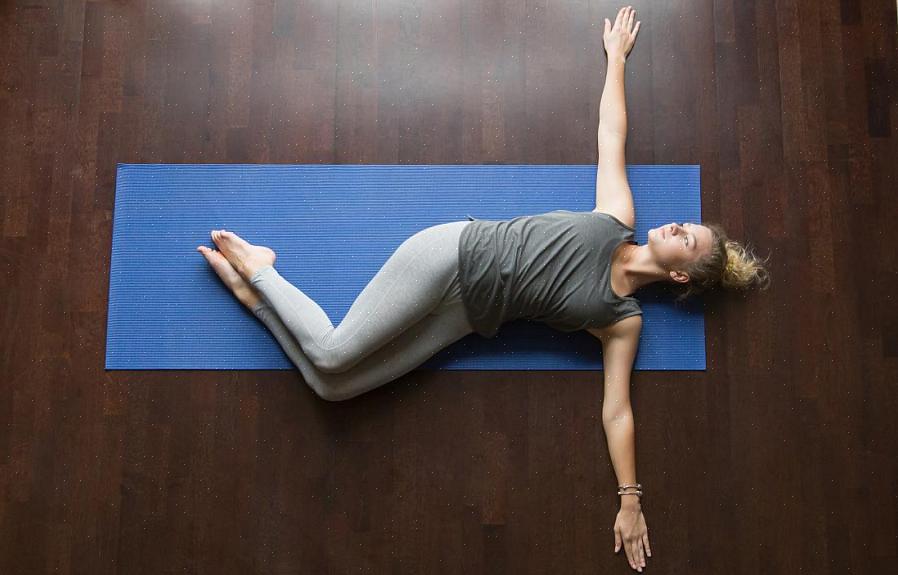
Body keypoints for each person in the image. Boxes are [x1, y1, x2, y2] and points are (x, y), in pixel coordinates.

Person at [196, 6, 769, 574]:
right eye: (685, 224)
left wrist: (630, 500)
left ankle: (257, 304)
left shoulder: (622, 319)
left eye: (686, 240)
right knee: (331, 353)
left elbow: (617, 411)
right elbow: (611, 134)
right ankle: (262, 271)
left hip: (465, 319)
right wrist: (616, 59)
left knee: (333, 388)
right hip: (453, 255)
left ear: (679, 275)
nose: (676, 227)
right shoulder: (617, 217)